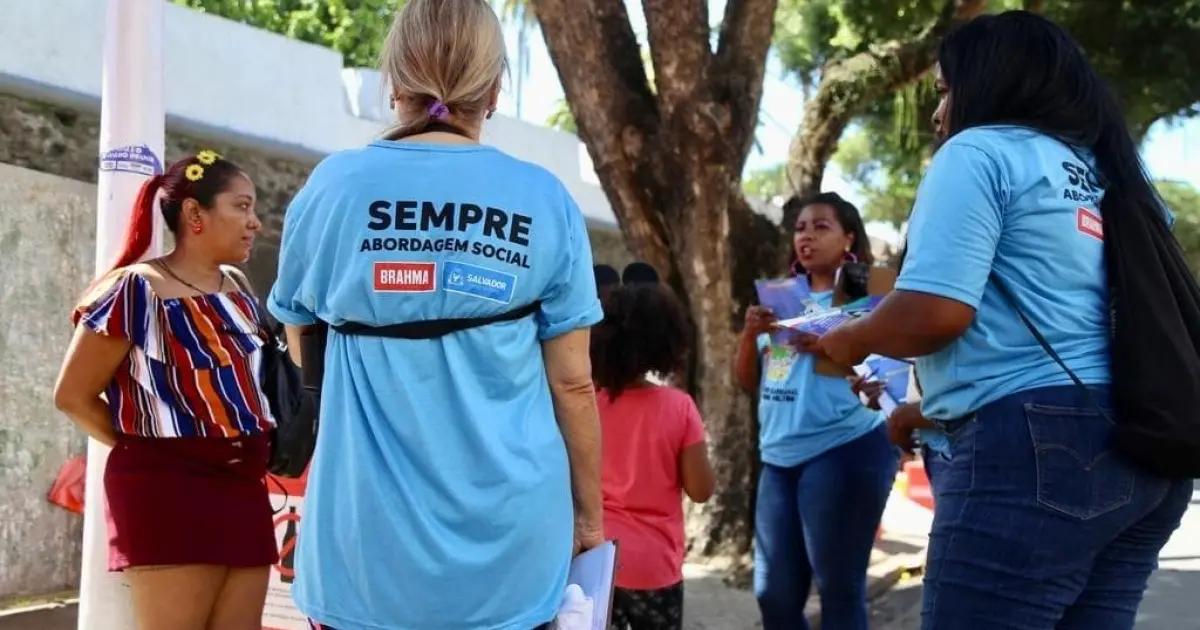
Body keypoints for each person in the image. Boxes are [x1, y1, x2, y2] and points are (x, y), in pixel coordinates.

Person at [812, 11, 1193, 628]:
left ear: (990, 80)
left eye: (943, 90)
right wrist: (928, 414)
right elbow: (1074, 340)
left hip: (1036, 455)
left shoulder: (979, 152)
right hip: (1143, 446)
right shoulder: (1116, 172)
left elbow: (934, 313)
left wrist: (848, 337)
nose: (938, 114)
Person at [266, 1, 604, 628]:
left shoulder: (334, 187)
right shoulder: (545, 200)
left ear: (393, 83)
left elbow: (300, 340)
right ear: (495, 90)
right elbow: (573, 383)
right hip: (512, 555)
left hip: (364, 553)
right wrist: (588, 517)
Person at [54, 151, 276, 630]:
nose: (255, 222)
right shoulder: (134, 289)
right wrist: (152, 452)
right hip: (168, 490)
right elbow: (72, 395)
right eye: (241, 207)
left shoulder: (237, 286)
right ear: (195, 213)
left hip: (243, 483)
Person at [734, 192, 899, 630]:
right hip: (778, 457)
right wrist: (750, 334)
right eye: (800, 228)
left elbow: (890, 376)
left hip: (845, 447)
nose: (806, 236)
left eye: (820, 227)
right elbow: (749, 382)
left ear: (848, 237)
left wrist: (828, 340)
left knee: (839, 593)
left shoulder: (873, 290)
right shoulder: (781, 298)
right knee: (774, 597)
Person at [591, 283, 715, 630]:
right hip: (654, 568)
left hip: (594, 561)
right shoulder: (679, 407)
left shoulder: (586, 406)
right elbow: (701, 490)